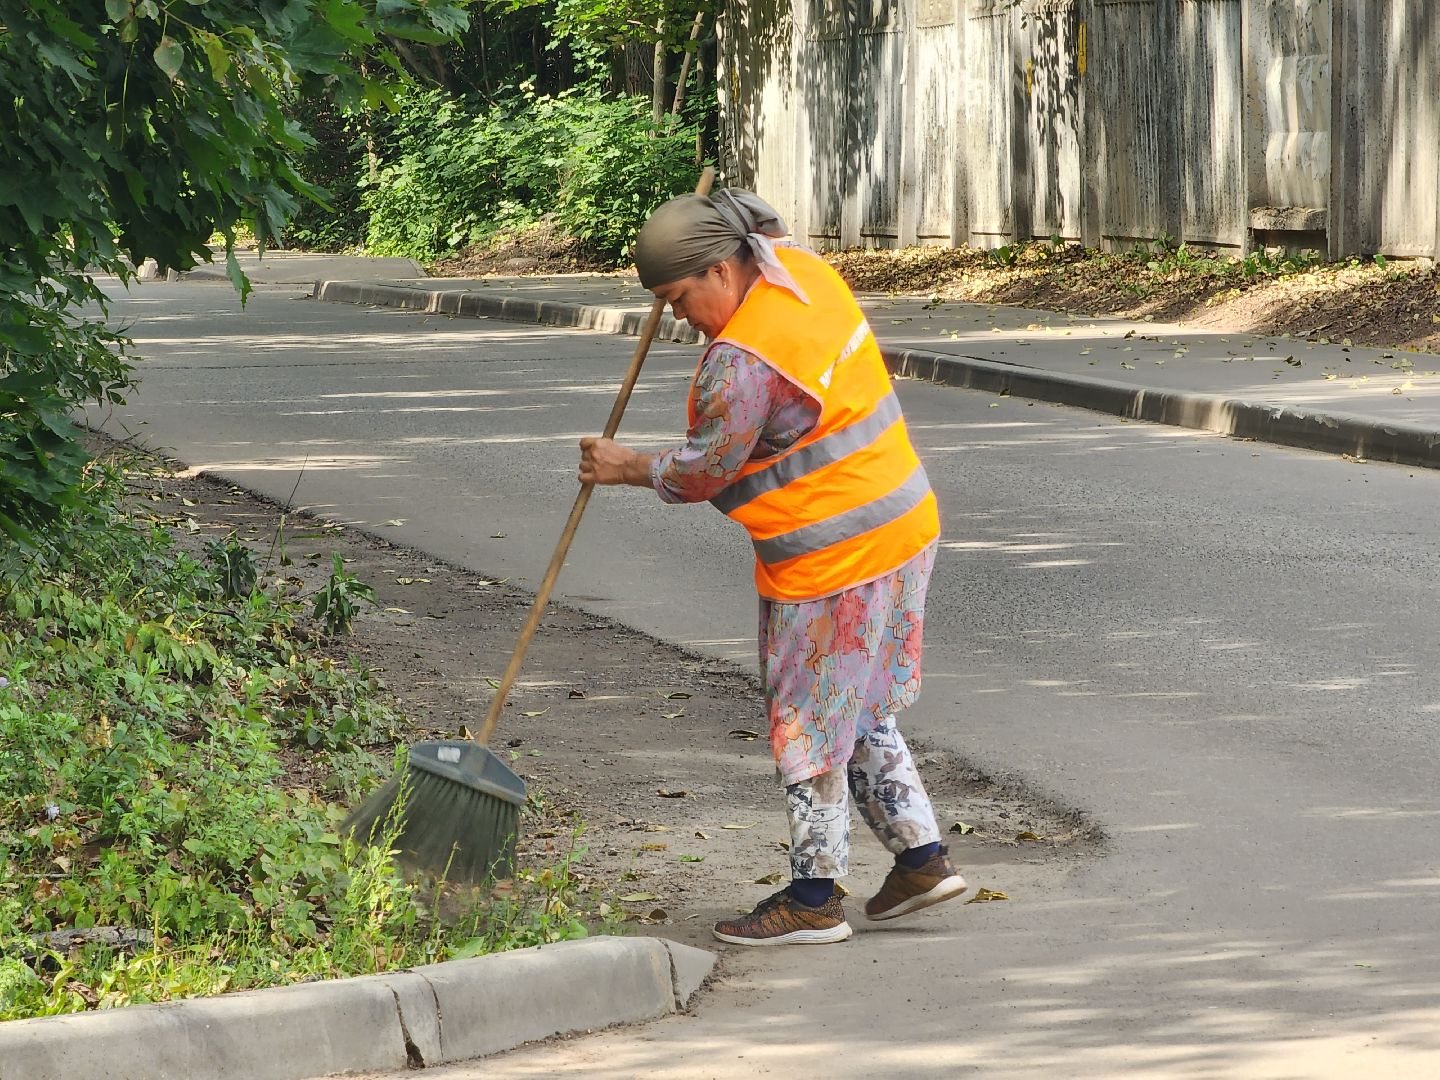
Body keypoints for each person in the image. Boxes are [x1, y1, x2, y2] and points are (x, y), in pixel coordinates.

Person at [578, 189, 966, 946]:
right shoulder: (801, 268)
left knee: (808, 723)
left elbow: (701, 472)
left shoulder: (741, 363)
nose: (679, 318)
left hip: (832, 560)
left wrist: (624, 467)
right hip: (903, 525)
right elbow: (759, 215)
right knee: (853, 704)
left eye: (678, 298)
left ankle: (815, 899)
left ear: (722, 269)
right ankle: (921, 860)